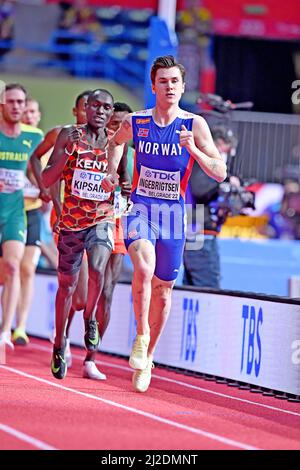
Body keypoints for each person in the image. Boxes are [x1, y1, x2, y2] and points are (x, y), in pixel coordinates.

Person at [102, 55, 227, 392]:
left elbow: (220, 171)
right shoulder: (137, 121)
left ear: (182, 87)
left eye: (175, 82)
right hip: (140, 209)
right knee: (144, 266)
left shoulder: (194, 125)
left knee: (164, 289)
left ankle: (149, 356)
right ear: (153, 85)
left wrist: (196, 153)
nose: (169, 87)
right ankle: (141, 336)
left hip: (174, 217)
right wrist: (114, 173)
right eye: (163, 81)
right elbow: (115, 143)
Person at [42, 88, 115, 380]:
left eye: (106, 107)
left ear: (111, 112)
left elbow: (123, 180)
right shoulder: (68, 135)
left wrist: (117, 186)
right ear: (85, 108)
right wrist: (68, 153)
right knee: (67, 287)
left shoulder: (114, 142)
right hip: (71, 223)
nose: (100, 111)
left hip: (101, 218)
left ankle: (89, 319)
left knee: (98, 268)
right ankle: (60, 342)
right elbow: (48, 178)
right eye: (94, 105)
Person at [31, 90, 91, 368]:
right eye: (84, 109)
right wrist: (47, 193)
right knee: (70, 283)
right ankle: (62, 338)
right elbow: (36, 158)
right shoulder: (61, 134)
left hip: (91, 221)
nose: (88, 114)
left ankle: (66, 331)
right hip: (63, 218)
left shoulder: (100, 140)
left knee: (81, 298)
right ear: (74, 110)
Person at [0, 83, 43, 349]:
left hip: (16, 211)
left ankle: (7, 331)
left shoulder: (33, 138)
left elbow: (38, 172)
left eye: (21, 102)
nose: (17, 107)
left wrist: (46, 192)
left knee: (15, 267)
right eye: (11, 101)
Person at [183, 125, 238, 288]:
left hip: (198, 228)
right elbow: (200, 188)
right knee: (207, 287)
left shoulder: (200, 158)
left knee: (192, 287)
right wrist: (224, 182)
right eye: (227, 149)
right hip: (198, 230)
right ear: (219, 143)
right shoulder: (203, 159)